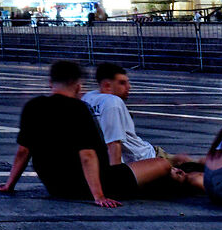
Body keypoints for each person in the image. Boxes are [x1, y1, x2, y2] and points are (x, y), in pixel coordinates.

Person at [0, 58, 128, 206]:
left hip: (55, 186)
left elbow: (23, 151)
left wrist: (9, 185)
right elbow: (87, 155)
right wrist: (99, 196)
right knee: (157, 165)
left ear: (50, 83)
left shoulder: (33, 106)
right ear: (77, 86)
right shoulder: (79, 109)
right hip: (94, 184)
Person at [82, 63, 198, 194]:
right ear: (107, 85)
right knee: (192, 176)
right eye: (122, 83)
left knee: (191, 164)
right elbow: (114, 144)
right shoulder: (112, 103)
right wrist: (116, 179)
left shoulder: (88, 98)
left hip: (142, 158)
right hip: (147, 159)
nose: (128, 87)